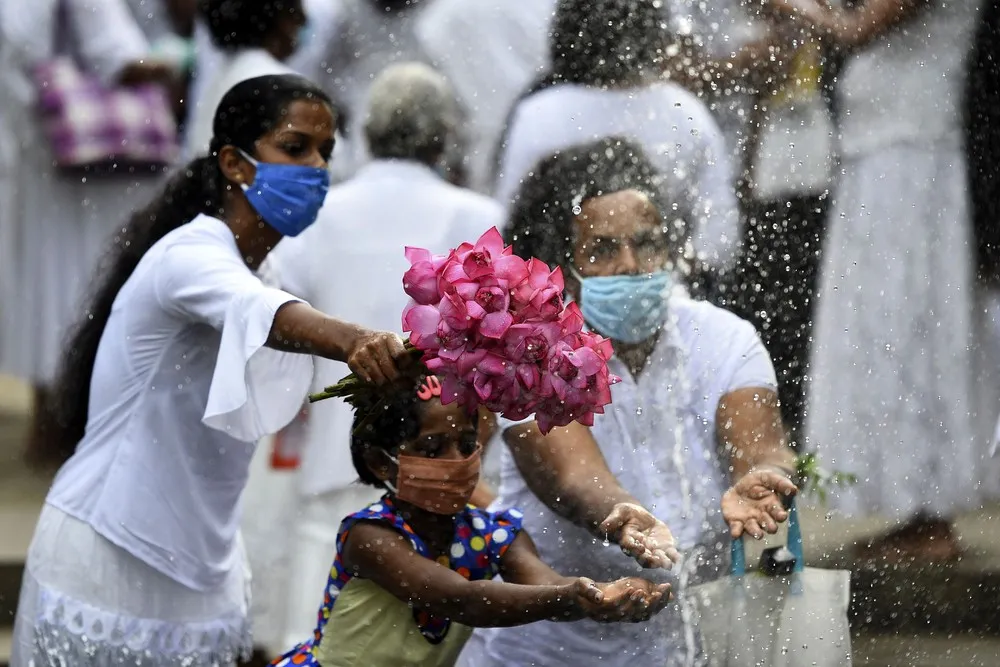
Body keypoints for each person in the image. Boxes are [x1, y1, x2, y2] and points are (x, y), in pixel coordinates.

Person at [10, 74, 411, 667]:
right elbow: (258, 312)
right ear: (235, 163)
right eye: (296, 148)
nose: (318, 168)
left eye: (326, 151)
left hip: (206, 571)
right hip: (109, 556)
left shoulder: (267, 271)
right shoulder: (189, 255)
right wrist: (357, 341)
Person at [458, 136, 799, 667]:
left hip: (684, 650)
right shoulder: (531, 353)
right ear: (561, 265)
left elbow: (760, 444)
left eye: (647, 244)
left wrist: (763, 476)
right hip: (549, 653)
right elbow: (573, 477)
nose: (631, 265)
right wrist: (621, 516)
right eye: (602, 251)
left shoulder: (723, 339)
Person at [269, 61, 506, 650]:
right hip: (444, 480)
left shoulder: (318, 217)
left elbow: (274, 328)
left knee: (319, 642)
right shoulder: (481, 219)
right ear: (444, 136)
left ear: (367, 134)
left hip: (334, 466)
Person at [768, 0, 992, 562]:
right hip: (887, 145)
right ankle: (914, 508)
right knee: (887, 328)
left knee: (912, 327)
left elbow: (855, 28)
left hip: (913, 155)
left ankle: (930, 516)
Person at [272, 369, 673, 666]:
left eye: (466, 444)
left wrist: (601, 594)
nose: (457, 461)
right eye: (432, 448)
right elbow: (461, 599)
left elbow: (548, 585)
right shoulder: (371, 536)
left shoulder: (494, 532)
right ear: (381, 462)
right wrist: (572, 596)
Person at [0, 0, 177, 462]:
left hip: (41, 160)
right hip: (92, 172)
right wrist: (174, 63)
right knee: (89, 291)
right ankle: (73, 431)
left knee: (50, 292)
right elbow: (118, 60)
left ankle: (47, 426)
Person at [493, 0, 741, 277]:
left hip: (559, 290)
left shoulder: (540, 114)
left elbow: (510, 228)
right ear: (655, 32)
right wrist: (665, 278)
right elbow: (718, 237)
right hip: (660, 284)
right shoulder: (684, 112)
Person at [414, 0, 558, 194]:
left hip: (482, 160)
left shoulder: (439, 19)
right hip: (542, 142)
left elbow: (436, 108)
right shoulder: (544, 5)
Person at [185, 0, 307, 157]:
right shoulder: (282, 85)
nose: (304, 19)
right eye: (295, 7)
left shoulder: (221, 78)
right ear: (277, 15)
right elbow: (328, 164)